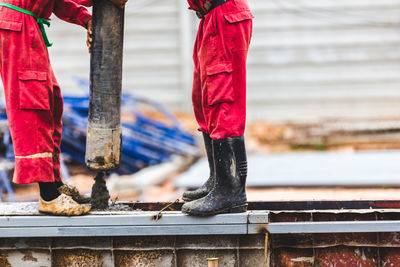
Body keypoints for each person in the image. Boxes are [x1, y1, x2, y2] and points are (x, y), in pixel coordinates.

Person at [0, 0, 125, 216]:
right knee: (32, 107)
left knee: (51, 101)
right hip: (17, 26)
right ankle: (49, 196)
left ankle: (54, 184)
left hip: (26, 25)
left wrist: (85, 18)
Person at [181, 0, 253, 215]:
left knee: (223, 100)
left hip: (224, 14)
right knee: (204, 99)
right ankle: (218, 181)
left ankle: (230, 191)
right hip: (211, 17)